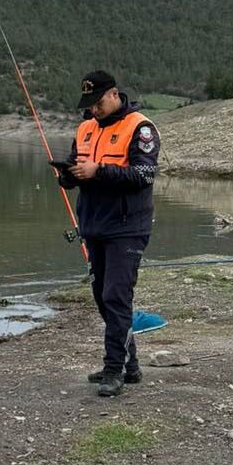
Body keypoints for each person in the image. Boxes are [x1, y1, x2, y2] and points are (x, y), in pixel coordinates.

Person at [57, 70, 159, 397]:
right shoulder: (85, 128)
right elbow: (76, 167)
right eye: (89, 104)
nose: (94, 109)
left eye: (98, 102)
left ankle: (114, 370)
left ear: (114, 94)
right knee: (103, 297)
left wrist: (98, 171)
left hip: (127, 227)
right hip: (93, 225)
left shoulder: (140, 127)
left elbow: (144, 175)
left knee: (116, 297)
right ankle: (129, 366)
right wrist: (67, 176)